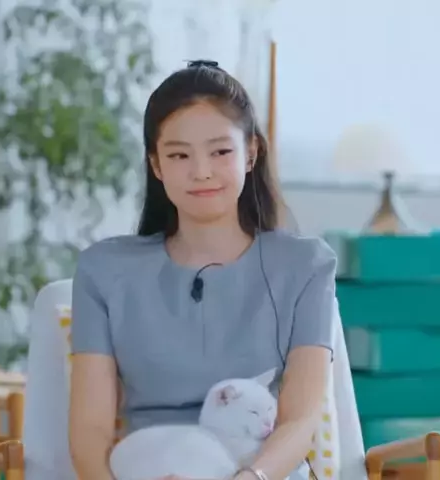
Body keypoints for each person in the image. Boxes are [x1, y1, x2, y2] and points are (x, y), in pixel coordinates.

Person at [68, 60, 336, 480]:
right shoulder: (103, 271)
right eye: (179, 154)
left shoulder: (306, 265)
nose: (201, 171)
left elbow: (300, 420)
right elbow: (90, 433)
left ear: (251, 153)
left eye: (220, 151)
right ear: (156, 165)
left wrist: (251, 478)